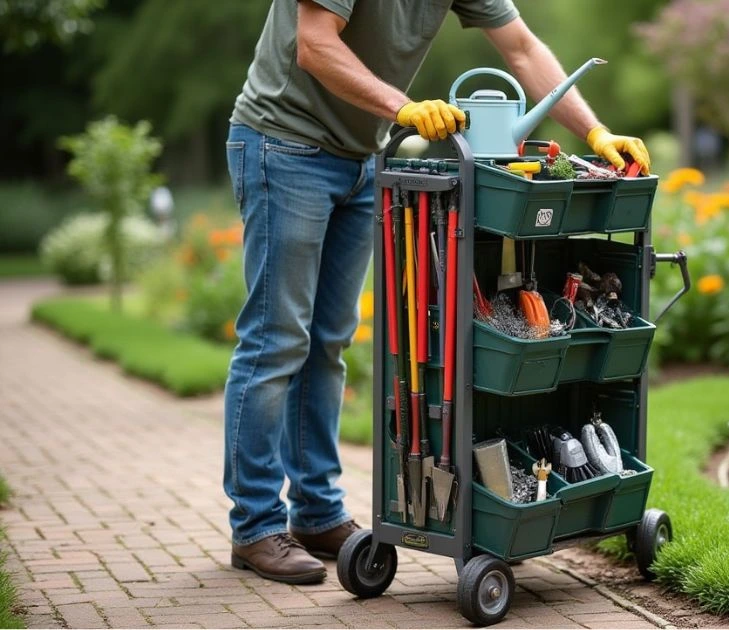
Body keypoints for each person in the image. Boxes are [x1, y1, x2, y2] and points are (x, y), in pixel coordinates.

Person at [222, 0, 651, 585]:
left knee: (327, 342)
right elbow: (315, 45)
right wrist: (404, 107)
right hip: (284, 144)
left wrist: (596, 131)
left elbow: (521, 48)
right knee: (276, 342)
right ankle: (254, 526)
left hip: (361, 157)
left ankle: (317, 513)